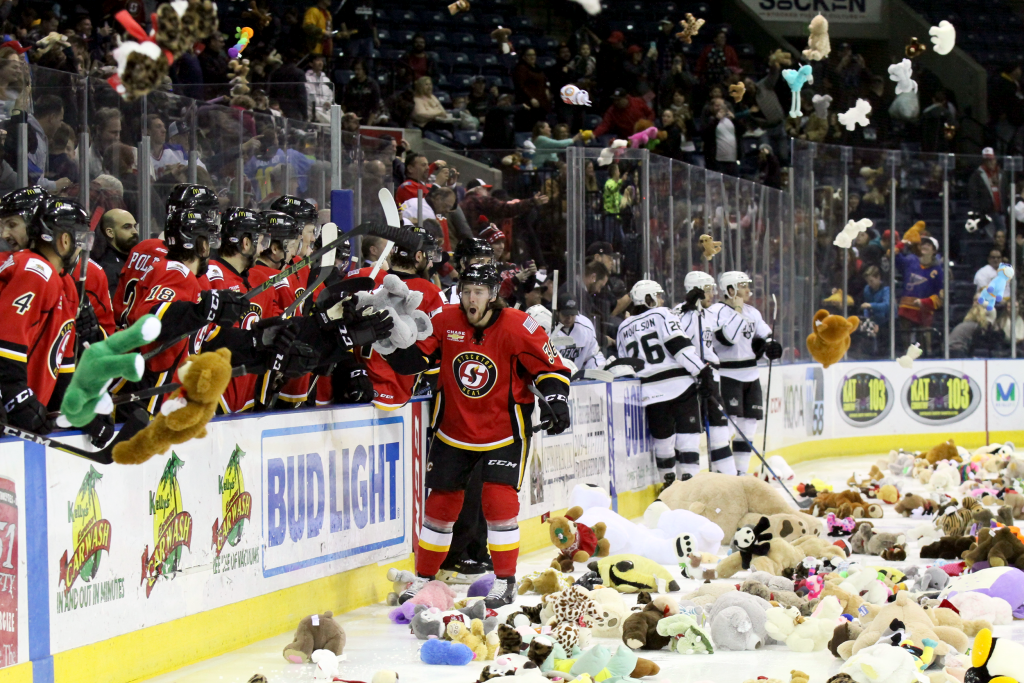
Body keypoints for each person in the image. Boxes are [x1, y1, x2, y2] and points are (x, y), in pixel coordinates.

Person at [384, 263, 571, 608]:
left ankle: (505, 581)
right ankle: (425, 578)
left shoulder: (518, 325)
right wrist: (387, 339)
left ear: (494, 294)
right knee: (440, 507)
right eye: (466, 290)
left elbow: (550, 366)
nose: (471, 298)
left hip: (505, 430)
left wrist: (557, 400)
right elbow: (414, 360)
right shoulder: (445, 320)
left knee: (498, 502)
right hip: (453, 430)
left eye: (479, 292)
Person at [0, 192, 94, 434]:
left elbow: (61, 363)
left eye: (12, 224)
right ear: (64, 239)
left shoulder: (65, 284)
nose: (4, 235)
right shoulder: (35, 270)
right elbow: (6, 342)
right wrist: (16, 398)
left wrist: (77, 411)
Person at [617, 279, 709, 485]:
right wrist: (702, 372)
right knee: (688, 442)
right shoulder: (662, 314)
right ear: (648, 298)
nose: (661, 299)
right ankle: (690, 487)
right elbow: (680, 346)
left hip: (649, 393)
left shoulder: (623, 327)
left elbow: (626, 365)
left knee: (664, 444)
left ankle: (667, 489)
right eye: (658, 296)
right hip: (680, 387)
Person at [205, 207, 274, 413]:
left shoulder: (261, 281)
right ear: (245, 243)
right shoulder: (211, 277)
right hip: (210, 396)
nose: (262, 249)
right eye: (260, 242)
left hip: (247, 395)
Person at [713, 272, 781, 474]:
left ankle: (741, 474)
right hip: (728, 376)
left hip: (751, 375)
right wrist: (737, 311)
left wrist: (771, 347)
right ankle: (723, 474)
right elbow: (727, 339)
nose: (748, 289)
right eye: (742, 285)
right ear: (730, 289)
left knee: (749, 425)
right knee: (729, 428)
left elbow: (764, 336)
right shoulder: (717, 311)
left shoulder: (753, 312)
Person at [672, 271, 738, 476]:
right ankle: (692, 481)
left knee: (722, 432)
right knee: (692, 434)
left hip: (711, 377)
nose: (712, 295)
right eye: (707, 290)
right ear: (696, 291)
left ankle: (728, 480)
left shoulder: (706, 314)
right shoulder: (681, 314)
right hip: (695, 378)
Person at [895, 235, 943, 357]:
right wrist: (902, 244)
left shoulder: (937, 270)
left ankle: (926, 358)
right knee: (905, 338)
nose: (925, 246)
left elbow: (940, 296)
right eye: (923, 243)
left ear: (934, 251)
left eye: (929, 244)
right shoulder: (911, 260)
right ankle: (906, 359)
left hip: (924, 310)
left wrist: (925, 302)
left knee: (924, 342)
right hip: (906, 306)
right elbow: (892, 255)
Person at [552, 298, 605, 371]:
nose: (569, 319)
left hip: (577, 379)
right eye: (565, 314)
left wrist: (595, 372)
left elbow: (593, 355)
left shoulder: (586, 326)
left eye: (573, 315)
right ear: (557, 312)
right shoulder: (548, 328)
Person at [95, 209, 139, 296]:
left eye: (135, 226)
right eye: (127, 227)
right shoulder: (108, 269)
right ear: (110, 232)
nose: (135, 232)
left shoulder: (134, 260)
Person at [968, 148, 1009, 237]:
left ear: (995, 159)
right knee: (990, 237)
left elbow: (1006, 191)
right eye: (987, 160)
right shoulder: (977, 175)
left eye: (991, 159)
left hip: (1000, 211)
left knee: (1003, 235)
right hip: (986, 213)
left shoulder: (1001, 173)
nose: (990, 162)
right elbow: (973, 195)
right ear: (984, 161)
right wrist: (978, 211)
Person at [440, 237, 493, 304]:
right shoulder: (445, 297)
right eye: (479, 262)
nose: (486, 267)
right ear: (463, 263)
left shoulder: (495, 297)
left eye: (488, 263)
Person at [512, 48, 550, 131]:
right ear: (524, 57)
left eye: (533, 55)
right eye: (529, 55)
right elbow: (520, 85)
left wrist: (546, 89)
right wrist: (531, 98)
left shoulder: (537, 68)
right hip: (528, 104)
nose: (532, 57)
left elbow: (544, 81)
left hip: (541, 103)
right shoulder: (521, 68)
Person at [858, 265, 890, 357]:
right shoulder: (867, 289)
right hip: (874, 320)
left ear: (878, 277)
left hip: (887, 321)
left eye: (871, 281)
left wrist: (871, 305)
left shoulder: (886, 289)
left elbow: (887, 305)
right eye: (868, 281)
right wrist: (869, 321)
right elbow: (866, 309)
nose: (869, 284)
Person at [342, 60, 381, 125]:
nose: (356, 72)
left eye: (359, 69)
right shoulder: (350, 84)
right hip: (352, 119)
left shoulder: (372, 85)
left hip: (366, 118)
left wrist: (368, 125)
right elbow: (345, 104)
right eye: (355, 69)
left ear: (364, 70)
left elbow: (374, 107)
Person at [305, 54, 333, 123]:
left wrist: (328, 102)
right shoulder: (306, 79)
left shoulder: (326, 80)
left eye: (322, 61)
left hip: (326, 112)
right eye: (318, 60)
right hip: (313, 113)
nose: (321, 63)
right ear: (311, 64)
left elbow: (330, 96)